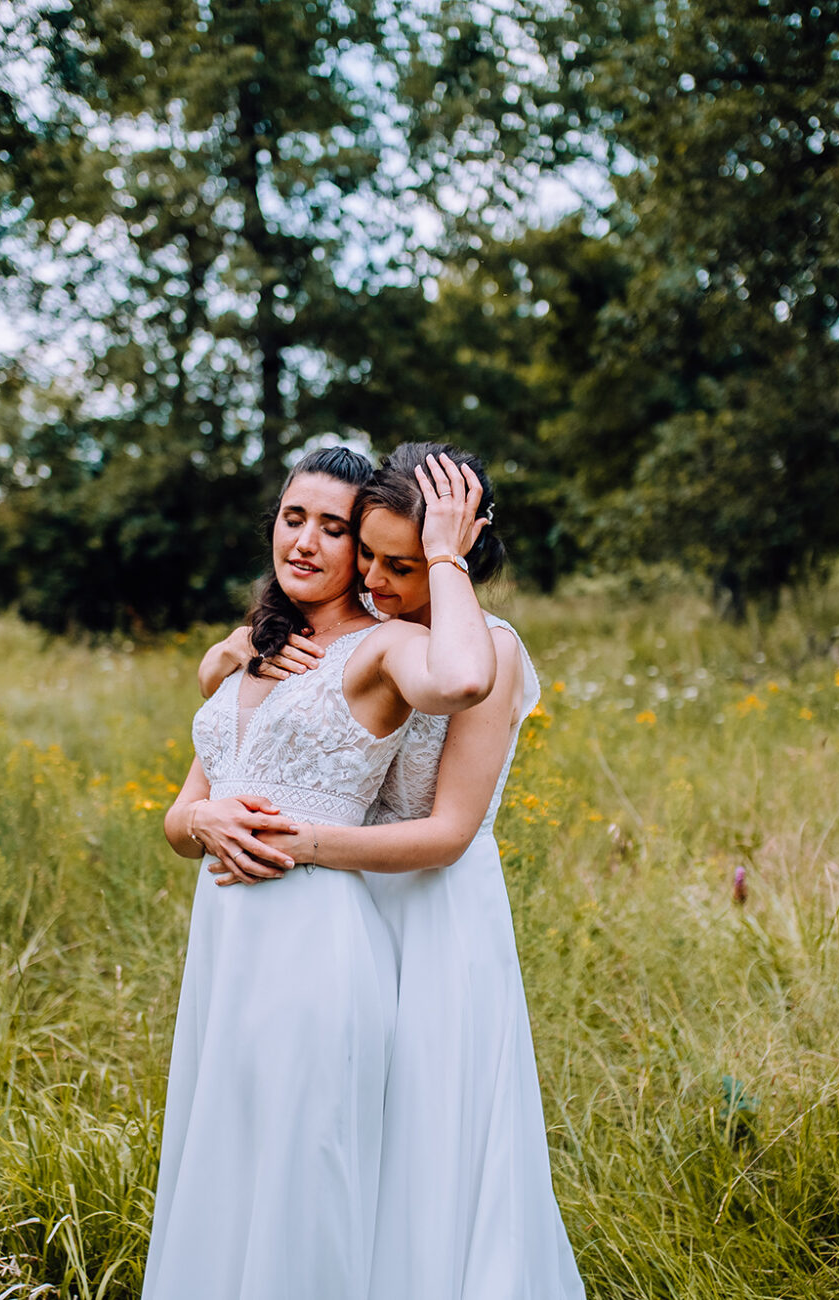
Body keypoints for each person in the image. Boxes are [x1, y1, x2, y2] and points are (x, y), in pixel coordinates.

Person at [196, 442, 585, 1300]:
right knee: (347, 1144)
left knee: (430, 1149)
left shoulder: (486, 646)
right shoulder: (373, 637)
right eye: (365, 553)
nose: (372, 577)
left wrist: (299, 844)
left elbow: (445, 833)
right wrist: (229, 655)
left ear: (456, 555)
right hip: (350, 906)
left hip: (436, 911)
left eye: (399, 563)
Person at [146, 446, 499, 1300]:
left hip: (315, 944)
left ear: (367, 548)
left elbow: (460, 677)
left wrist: (445, 554)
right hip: (225, 951)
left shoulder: (388, 647)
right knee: (225, 1163)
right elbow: (180, 818)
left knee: (304, 1174)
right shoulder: (260, 650)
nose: (303, 541)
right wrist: (202, 817)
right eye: (291, 517)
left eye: (333, 528)